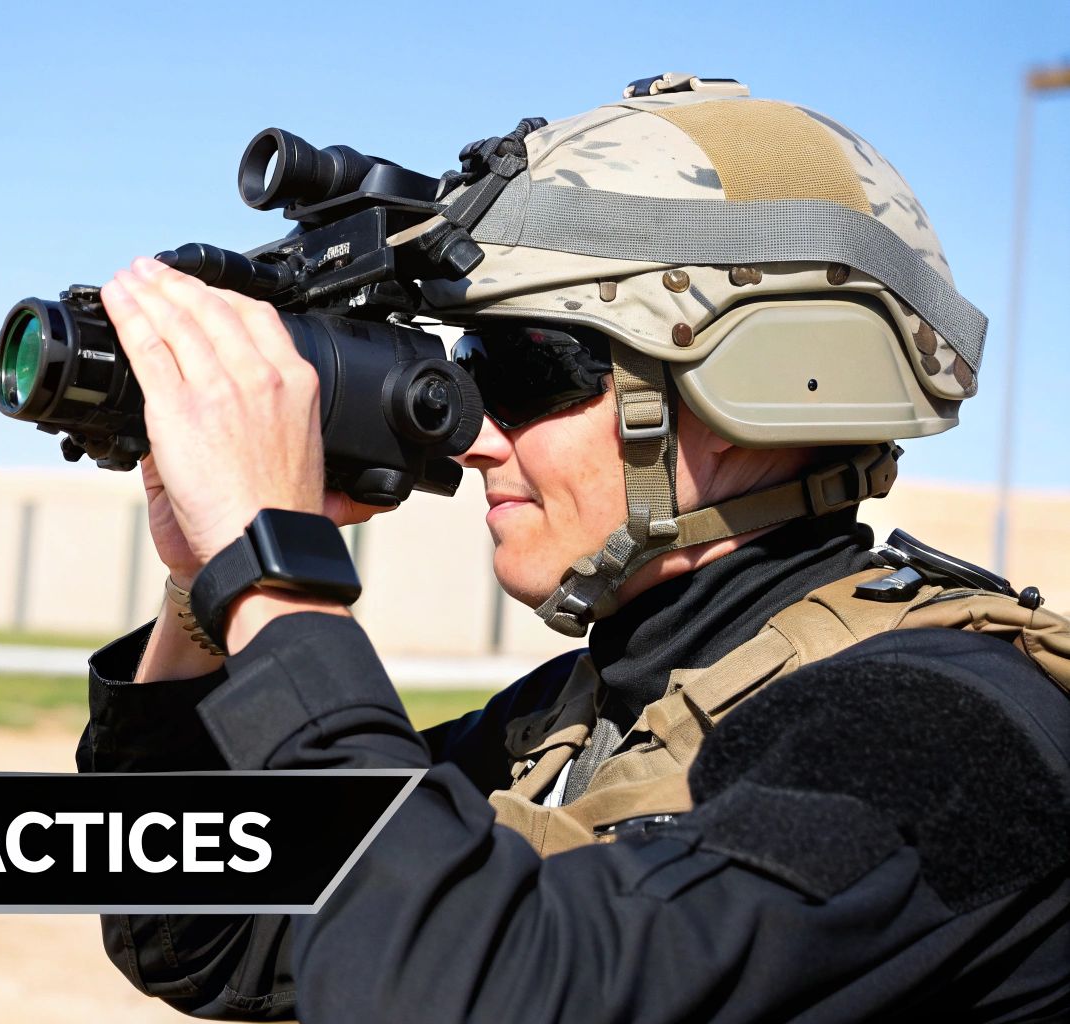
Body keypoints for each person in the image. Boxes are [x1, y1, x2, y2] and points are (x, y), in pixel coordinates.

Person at [73, 76, 1070, 1021]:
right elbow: (192, 922)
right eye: (466, 366)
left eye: (526, 368)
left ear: (752, 393)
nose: (472, 436)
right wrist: (199, 588)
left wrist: (272, 570)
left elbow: (470, 992)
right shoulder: (584, 714)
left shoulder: (941, 735)